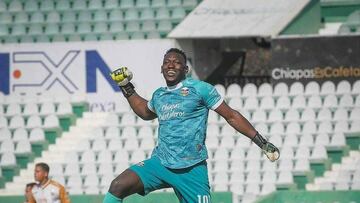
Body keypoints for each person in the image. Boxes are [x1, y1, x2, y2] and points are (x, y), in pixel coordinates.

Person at [104, 48, 280, 203]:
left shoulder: (200, 89)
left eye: (176, 62)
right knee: (118, 186)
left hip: (192, 169)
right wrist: (125, 86)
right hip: (161, 164)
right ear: (161, 68)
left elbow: (231, 116)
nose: (171, 65)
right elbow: (144, 112)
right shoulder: (159, 95)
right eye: (167, 62)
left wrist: (262, 142)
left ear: (186, 69)